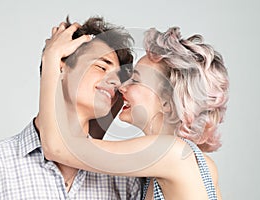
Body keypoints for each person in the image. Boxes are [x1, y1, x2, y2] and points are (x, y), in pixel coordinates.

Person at [39, 25, 229, 199]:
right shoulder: (185, 163)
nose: (122, 87)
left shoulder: (168, 153)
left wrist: (52, 59)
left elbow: (57, 148)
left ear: (167, 102)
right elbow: (90, 145)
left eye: (135, 80)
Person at [0, 17, 143, 199]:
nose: (115, 82)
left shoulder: (124, 181)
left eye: (119, 77)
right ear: (61, 66)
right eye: (101, 66)